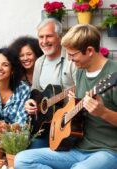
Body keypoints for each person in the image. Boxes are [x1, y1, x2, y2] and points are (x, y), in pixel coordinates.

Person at [15, 24, 117, 169]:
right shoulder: (82, 71)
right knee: (22, 159)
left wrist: (103, 112)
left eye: (72, 54)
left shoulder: (113, 73)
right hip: (77, 148)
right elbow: (79, 111)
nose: (69, 59)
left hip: (108, 151)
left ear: (89, 51)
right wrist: (72, 103)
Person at [23, 18, 77, 149]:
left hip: (66, 124)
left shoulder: (72, 60)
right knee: (28, 149)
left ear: (60, 37)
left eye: (49, 36)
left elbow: (84, 88)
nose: (44, 41)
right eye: (41, 37)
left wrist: (74, 98)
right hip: (45, 125)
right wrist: (30, 104)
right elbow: (35, 92)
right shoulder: (39, 62)